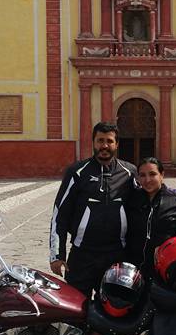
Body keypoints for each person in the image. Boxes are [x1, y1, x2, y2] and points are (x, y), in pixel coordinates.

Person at [49, 122, 139, 297]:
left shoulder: (129, 173)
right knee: (76, 309)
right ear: (93, 142)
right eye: (100, 141)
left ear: (117, 144)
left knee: (112, 309)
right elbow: (60, 214)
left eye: (109, 141)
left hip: (116, 256)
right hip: (82, 256)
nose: (104, 146)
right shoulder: (77, 172)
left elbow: (143, 208)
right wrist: (57, 255)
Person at [124, 157, 176, 280]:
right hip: (133, 269)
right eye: (142, 175)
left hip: (165, 268)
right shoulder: (131, 199)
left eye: (152, 174)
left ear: (162, 174)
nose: (147, 180)